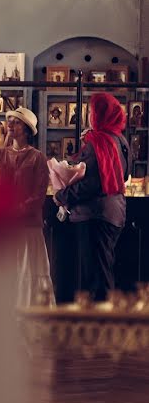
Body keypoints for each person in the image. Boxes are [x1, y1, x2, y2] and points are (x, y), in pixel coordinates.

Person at [54, 92, 131, 301]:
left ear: (100, 114)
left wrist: (62, 195)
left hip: (95, 215)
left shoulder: (98, 142)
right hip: (115, 213)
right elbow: (123, 175)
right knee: (104, 269)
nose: (88, 115)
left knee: (96, 276)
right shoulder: (120, 139)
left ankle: (100, 325)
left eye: (91, 111)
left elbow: (90, 183)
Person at [0, 107, 53, 306]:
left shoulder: (37, 158)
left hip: (27, 226)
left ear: (26, 128)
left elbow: (39, 193)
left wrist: (18, 210)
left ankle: (31, 311)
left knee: (28, 269)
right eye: (10, 121)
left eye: (16, 122)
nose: (11, 125)